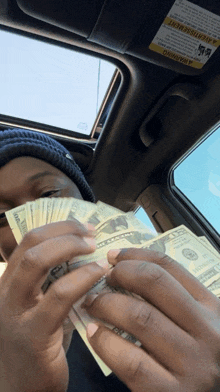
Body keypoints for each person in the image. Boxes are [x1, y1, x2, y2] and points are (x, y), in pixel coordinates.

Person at [0, 128, 220, 392]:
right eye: (1, 217)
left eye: (48, 195)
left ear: (88, 203)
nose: (33, 225)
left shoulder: (191, 292)